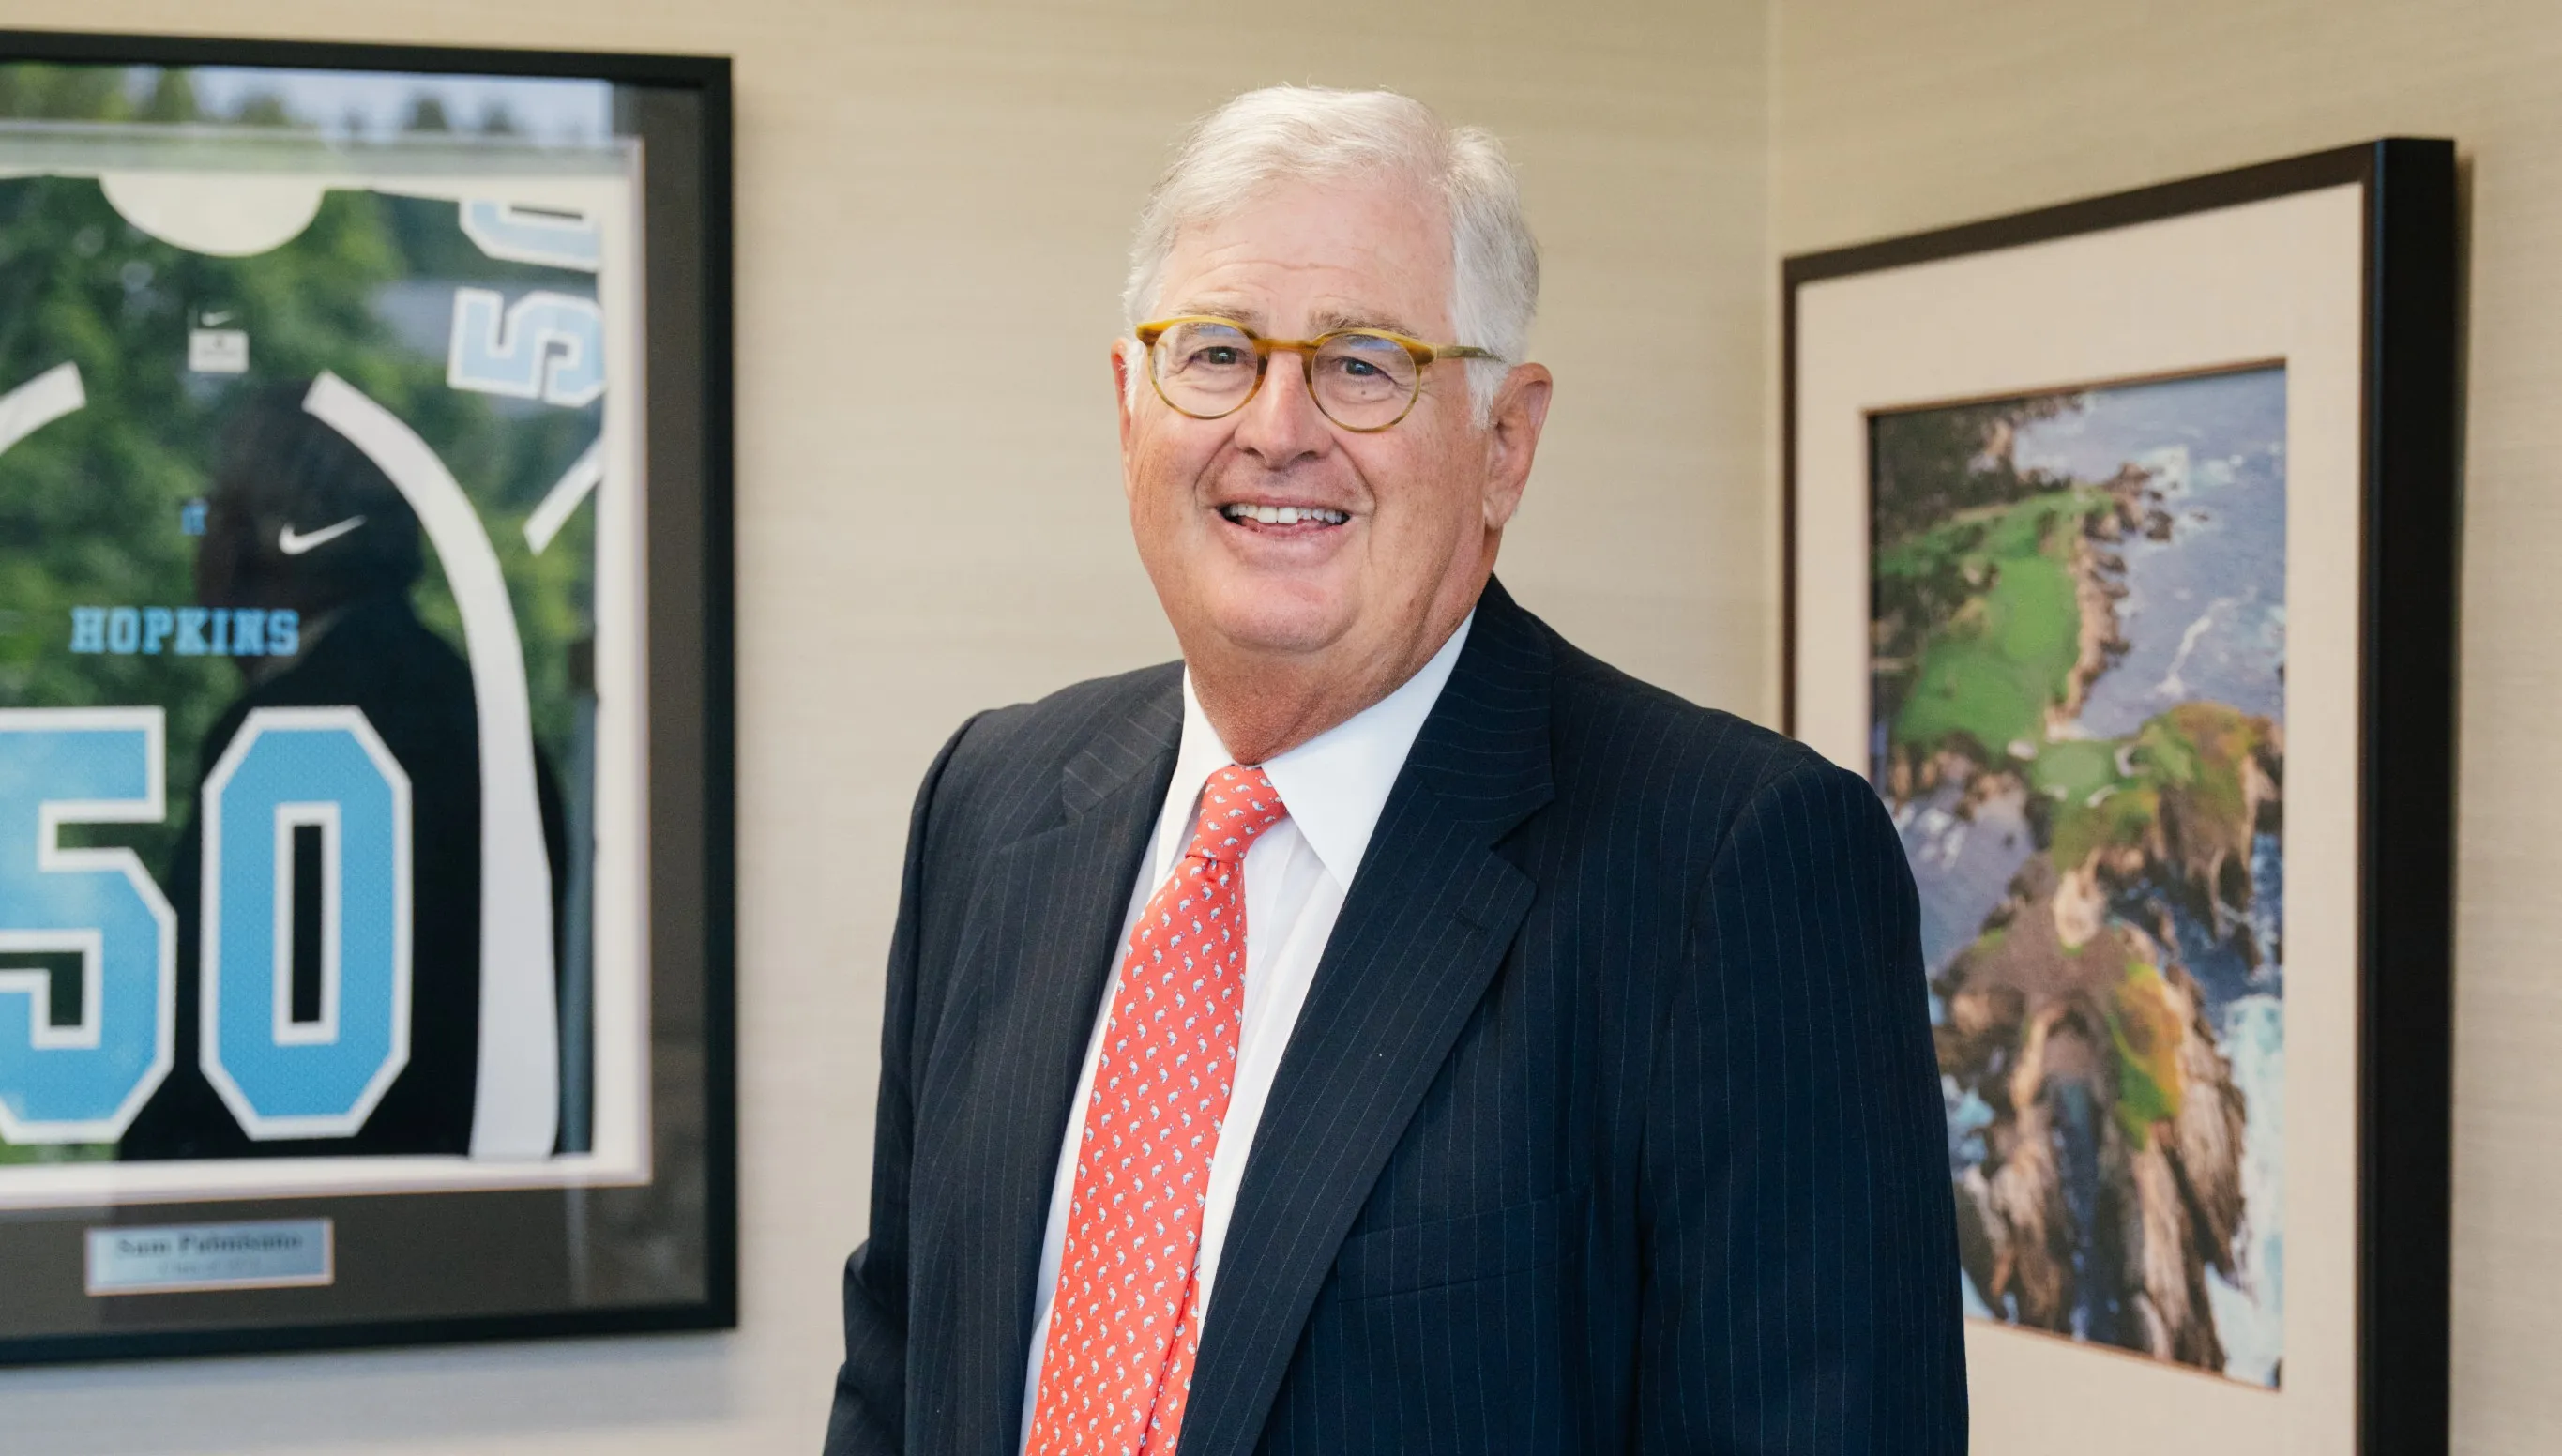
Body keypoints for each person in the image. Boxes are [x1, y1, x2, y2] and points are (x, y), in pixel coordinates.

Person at [826, 87, 1964, 1455]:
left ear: (1504, 443)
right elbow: (897, 1380)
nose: (1275, 426)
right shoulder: (991, 800)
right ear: (1128, 407)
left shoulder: (1731, 865)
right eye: (1215, 353)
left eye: (1364, 364)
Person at [121, 383, 566, 1160]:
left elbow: (194, 1058)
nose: (204, 546)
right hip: (471, 1229)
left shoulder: (276, 731)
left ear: (267, 543)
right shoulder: (490, 727)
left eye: (214, 514)